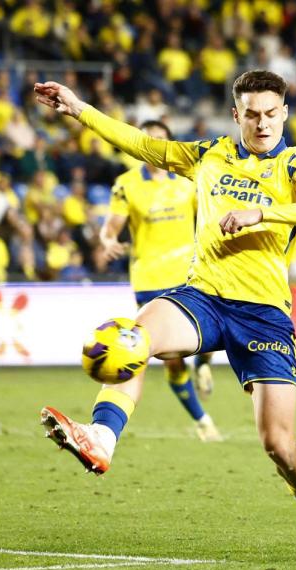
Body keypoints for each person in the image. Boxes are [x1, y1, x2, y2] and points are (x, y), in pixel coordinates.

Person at [34, 70, 296, 557]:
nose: (262, 123)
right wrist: (78, 109)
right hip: (202, 296)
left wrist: (261, 213)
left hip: (263, 313)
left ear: (284, 112)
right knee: (132, 339)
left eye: (271, 113)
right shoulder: (209, 155)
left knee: (279, 446)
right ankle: (100, 437)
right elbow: (141, 145)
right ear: (235, 114)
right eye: (252, 114)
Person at [100, 119, 221, 442]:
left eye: (161, 140)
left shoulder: (187, 181)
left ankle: (205, 364)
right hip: (150, 278)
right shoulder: (126, 184)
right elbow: (111, 225)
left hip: (190, 274)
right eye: (148, 139)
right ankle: (202, 419)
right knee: (171, 358)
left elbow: (211, 215)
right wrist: (108, 239)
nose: (154, 145)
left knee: (209, 332)